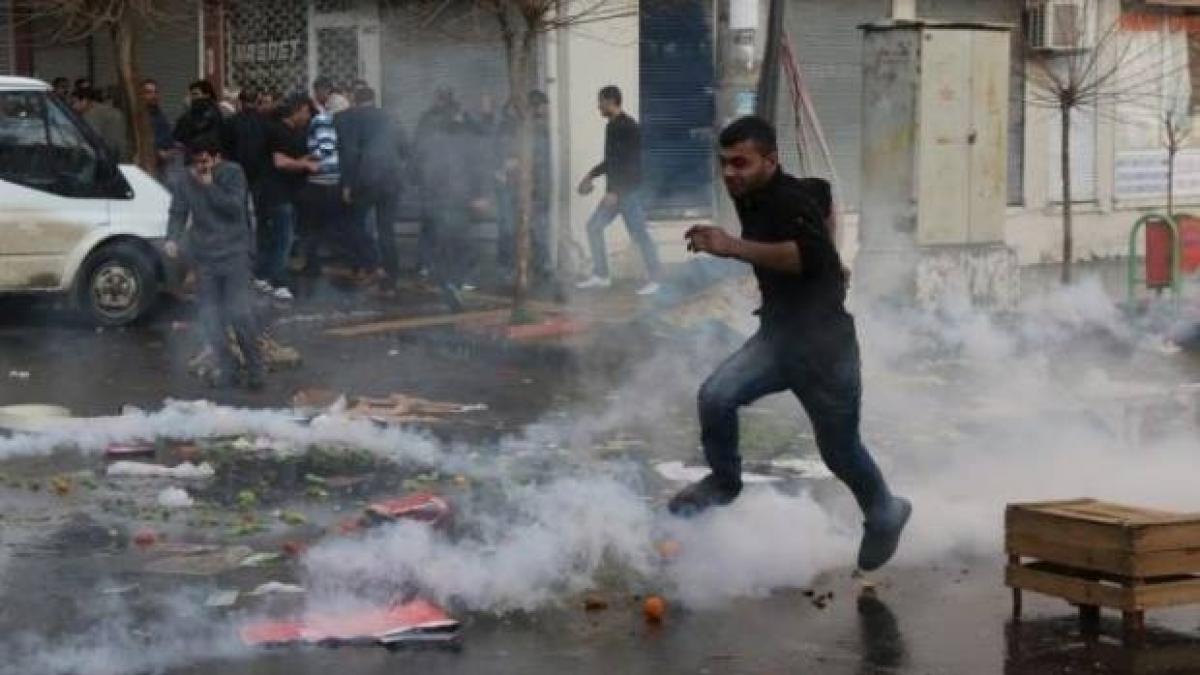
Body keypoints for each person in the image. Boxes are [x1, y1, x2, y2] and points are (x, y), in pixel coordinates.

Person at [670, 116, 911, 573]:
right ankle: (725, 483)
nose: (729, 174)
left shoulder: (785, 199)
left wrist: (730, 246)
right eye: (724, 163)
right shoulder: (762, 193)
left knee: (839, 450)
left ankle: (886, 512)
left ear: (770, 160)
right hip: (779, 339)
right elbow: (818, 193)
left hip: (826, 350)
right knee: (716, 396)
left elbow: (804, 255)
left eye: (740, 163)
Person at [164, 137, 263, 391]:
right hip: (205, 256)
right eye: (196, 162)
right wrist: (172, 238)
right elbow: (178, 211)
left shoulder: (233, 173)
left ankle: (255, 369)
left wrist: (209, 186)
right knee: (210, 316)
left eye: (206, 161)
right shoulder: (186, 179)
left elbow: (233, 209)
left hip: (234, 254)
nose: (201, 167)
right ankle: (227, 368)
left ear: (217, 157)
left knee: (239, 313)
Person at [576, 85, 660, 296]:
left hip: (628, 192)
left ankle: (656, 279)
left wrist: (615, 191)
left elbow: (630, 163)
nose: (598, 106)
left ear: (611, 101)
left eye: (600, 101)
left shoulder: (627, 126)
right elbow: (612, 161)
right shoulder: (612, 126)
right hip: (617, 192)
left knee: (639, 234)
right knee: (594, 227)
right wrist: (591, 175)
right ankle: (601, 275)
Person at [336, 85, 403, 295]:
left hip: (364, 180)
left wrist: (347, 184)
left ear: (355, 100)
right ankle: (391, 279)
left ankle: (373, 265)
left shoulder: (349, 118)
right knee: (386, 230)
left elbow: (349, 151)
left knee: (355, 224)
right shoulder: (390, 117)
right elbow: (405, 147)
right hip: (391, 180)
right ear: (374, 99)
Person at [257, 94, 318, 300]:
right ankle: (279, 282)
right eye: (307, 111)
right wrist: (306, 165)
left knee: (277, 238)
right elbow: (280, 162)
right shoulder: (277, 131)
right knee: (284, 239)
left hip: (289, 193)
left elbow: (289, 158)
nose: (309, 116)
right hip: (277, 194)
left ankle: (263, 276)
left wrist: (304, 159)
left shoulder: (295, 132)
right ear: (298, 109)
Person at [297, 76, 345, 277]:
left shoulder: (321, 120)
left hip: (321, 180)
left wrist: (302, 160)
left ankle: (313, 265)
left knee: (312, 226)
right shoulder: (330, 117)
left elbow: (324, 148)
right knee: (324, 225)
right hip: (331, 179)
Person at [74, 87, 128, 161]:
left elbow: (89, 139)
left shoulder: (91, 114)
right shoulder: (110, 111)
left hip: (108, 157)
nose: (73, 106)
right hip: (119, 154)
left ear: (84, 101)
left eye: (74, 102)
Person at [141, 78, 180, 178]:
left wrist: (172, 148)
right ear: (141, 95)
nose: (153, 96)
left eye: (155, 92)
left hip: (163, 166)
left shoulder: (160, 115)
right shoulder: (139, 117)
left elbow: (167, 137)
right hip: (146, 168)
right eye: (149, 92)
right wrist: (158, 152)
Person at [174, 80, 224, 151]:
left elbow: (197, 129)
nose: (192, 98)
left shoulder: (210, 112)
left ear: (206, 95)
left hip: (206, 154)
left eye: (195, 94)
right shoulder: (195, 112)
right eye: (191, 95)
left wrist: (189, 110)